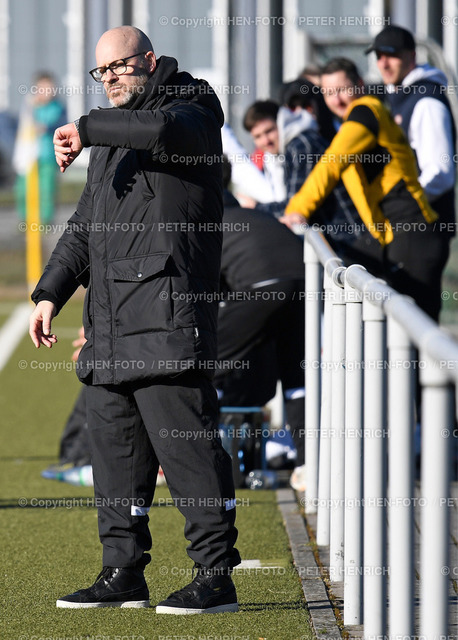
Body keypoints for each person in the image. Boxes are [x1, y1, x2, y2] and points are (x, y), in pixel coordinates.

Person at [29, 26, 240, 613]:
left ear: (149, 60)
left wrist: (88, 127)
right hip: (110, 327)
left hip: (168, 316)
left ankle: (215, 577)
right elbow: (84, 227)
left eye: (120, 66)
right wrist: (50, 293)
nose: (111, 79)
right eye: (102, 73)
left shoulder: (193, 106)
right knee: (115, 456)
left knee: (189, 450)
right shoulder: (113, 136)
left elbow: (163, 131)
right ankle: (122, 571)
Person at [282, 57, 447, 322]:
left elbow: (331, 164)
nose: (336, 99)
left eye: (342, 89)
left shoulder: (365, 111)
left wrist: (296, 210)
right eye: (328, 93)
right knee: (405, 332)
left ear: (359, 85)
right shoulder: (356, 119)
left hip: (413, 233)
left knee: (417, 335)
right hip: (403, 235)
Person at [216, 158, 306, 490]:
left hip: (264, 289)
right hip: (307, 285)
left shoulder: (208, 222)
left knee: (200, 363)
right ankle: (307, 466)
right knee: (298, 380)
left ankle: (186, 458)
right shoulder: (256, 216)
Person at [366, 25, 456, 243]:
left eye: (392, 55)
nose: (383, 64)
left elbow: (440, 174)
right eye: (379, 56)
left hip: (423, 230)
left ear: (412, 55)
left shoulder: (426, 102)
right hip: (405, 226)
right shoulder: (395, 95)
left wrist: (402, 207)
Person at [14, 72, 66, 223]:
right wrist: (30, 106)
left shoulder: (59, 108)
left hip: (48, 156)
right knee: (23, 189)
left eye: (49, 87)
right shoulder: (31, 106)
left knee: (46, 190)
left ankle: (45, 221)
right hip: (29, 157)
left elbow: (61, 125)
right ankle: (25, 220)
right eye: (43, 88)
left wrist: (47, 128)